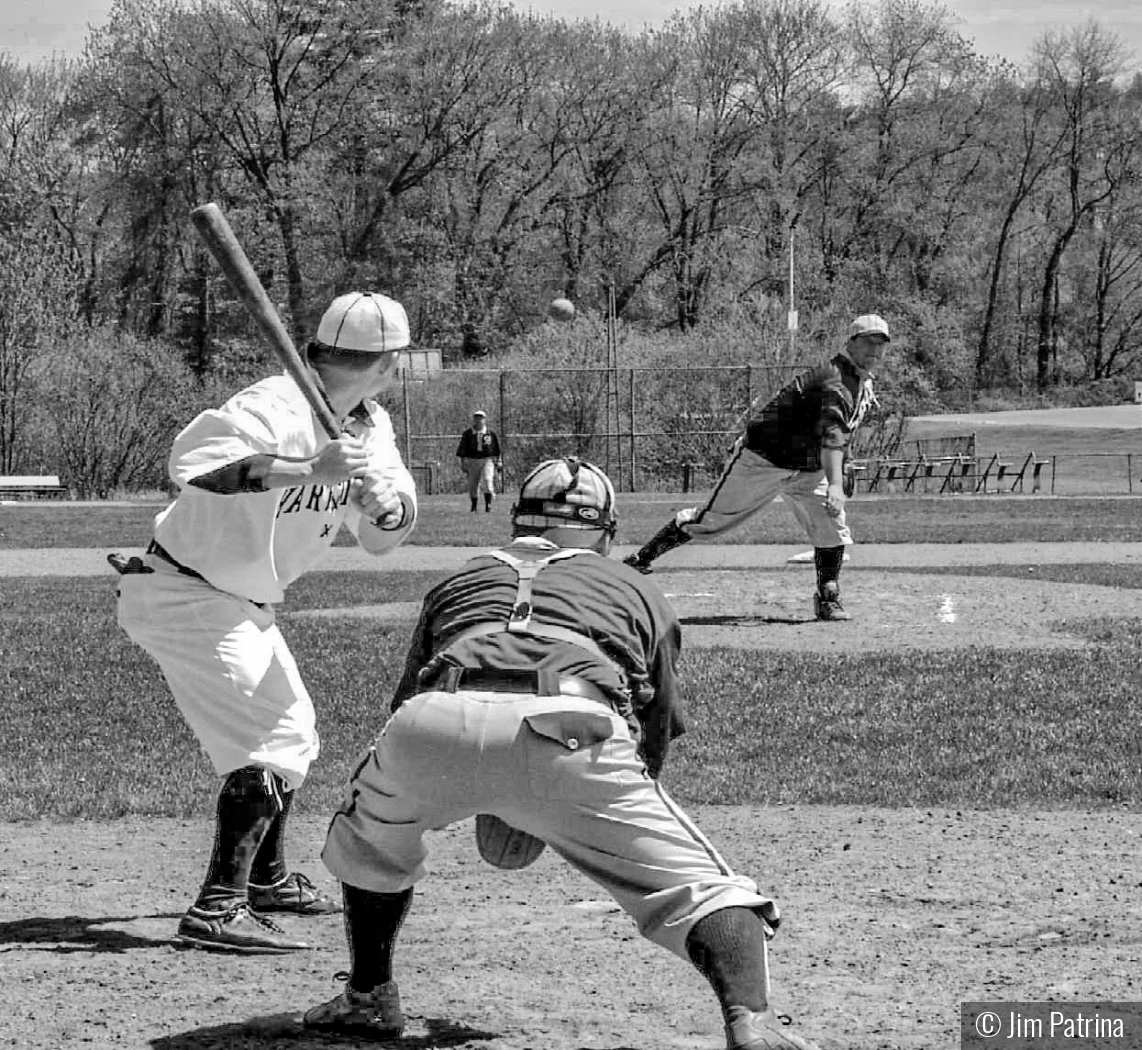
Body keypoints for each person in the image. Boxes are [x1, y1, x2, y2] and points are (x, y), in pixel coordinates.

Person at [302, 457, 823, 1050]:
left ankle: (367, 998)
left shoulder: (459, 579)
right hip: (574, 723)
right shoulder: (633, 586)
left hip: (432, 720)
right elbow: (650, 733)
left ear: (518, 523)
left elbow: (405, 704)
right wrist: (551, 795)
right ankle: (750, 1022)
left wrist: (480, 783)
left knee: (369, 845)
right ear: (605, 532)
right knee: (705, 891)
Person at [113, 291, 419, 953]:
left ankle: (266, 879)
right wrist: (305, 468)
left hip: (237, 599)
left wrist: (384, 504)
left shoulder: (368, 425)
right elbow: (191, 466)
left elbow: (383, 531)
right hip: (184, 592)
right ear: (387, 361)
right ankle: (217, 911)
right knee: (273, 740)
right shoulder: (271, 406)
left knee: (294, 734)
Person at [623, 314, 890, 622]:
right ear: (850, 344)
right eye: (867, 342)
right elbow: (833, 433)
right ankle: (639, 561)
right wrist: (834, 484)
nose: (875, 349)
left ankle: (828, 595)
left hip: (808, 466)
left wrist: (842, 467)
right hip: (765, 460)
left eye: (881, 343)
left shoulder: (858, 380)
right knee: (710, 520)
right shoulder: (836, 379)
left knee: (831, 524)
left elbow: (843, 431)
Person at [455, 409, 502, 512]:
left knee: (487, 480)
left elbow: (496, 449)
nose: (478, 420)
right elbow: (462, 450)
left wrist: (499, 461)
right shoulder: (468, 434)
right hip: (472, 460)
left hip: (487, 460)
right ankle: (474, 506)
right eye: (476, 418)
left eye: (481, 418)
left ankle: (488, 505)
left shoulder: (490, 433)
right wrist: (463, 463)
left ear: (484, 420)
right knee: (473, 484)